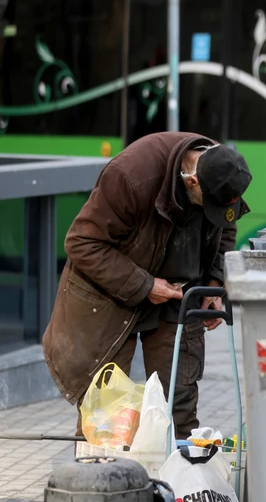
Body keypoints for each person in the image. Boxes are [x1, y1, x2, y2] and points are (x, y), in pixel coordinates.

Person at [41, 132, 252, 439]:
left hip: (177, 292)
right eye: (210, 205)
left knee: (178, 409)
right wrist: (145, 285)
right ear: (192, 181)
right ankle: (99, 483)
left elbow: (225, 226)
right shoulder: (130, 177)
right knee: (108, 416)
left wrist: (214, 284)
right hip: (109, 293)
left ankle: (178, 485)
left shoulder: (220, 173)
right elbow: (81, 243)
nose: (216, 213)